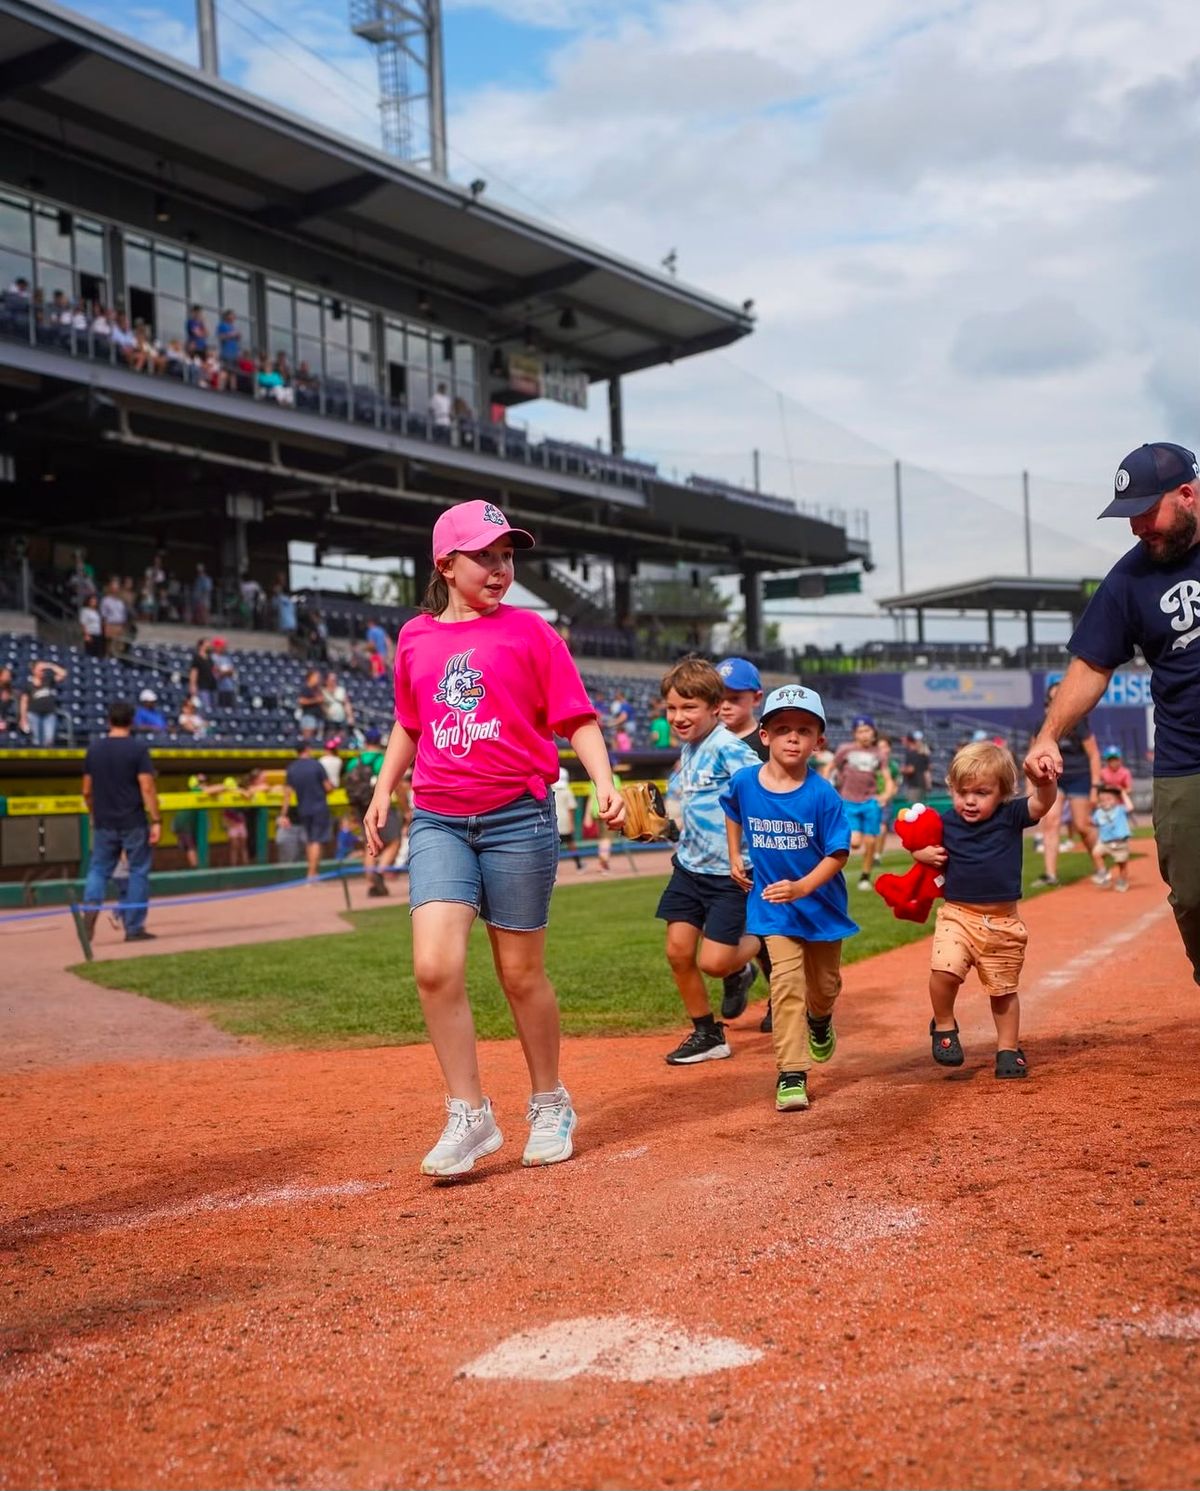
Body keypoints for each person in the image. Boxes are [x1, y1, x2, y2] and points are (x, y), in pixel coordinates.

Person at [362, 498, 624, 1177]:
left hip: (518, 817)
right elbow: (410, 721)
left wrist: (603, 779)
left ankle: (548, 1102)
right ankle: (470, 1113)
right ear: (445, 563)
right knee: (434, 966)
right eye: (486, 554)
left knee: (519, 973)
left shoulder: (533, 634)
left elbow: (578, 718)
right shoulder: (415, 637)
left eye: (508, 555)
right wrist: (383, 785)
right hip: (440, 819)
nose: (501, 567)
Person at [1025, 444, 1200, 979]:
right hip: (1187, 759)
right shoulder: (1129, 580)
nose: (1137, 528)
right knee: (1192, 897)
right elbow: (1091, 665)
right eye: (1130, 516)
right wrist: (1049, 734)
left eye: (1147, 512)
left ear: (1188, 494)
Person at [722, 685, 858, 1112]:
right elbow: (732, 810)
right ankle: (791, 1072)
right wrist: (734, 856)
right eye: (782, 729)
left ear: (819, 741)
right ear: (764, 736)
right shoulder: (746, 781)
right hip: (773, 905)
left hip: (820, 906)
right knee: (785, 984)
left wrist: (802, 887)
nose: (792, 738)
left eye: (804, 730)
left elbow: (838, 853)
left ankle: (820, 1021)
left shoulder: (822, 795)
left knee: (824, 987)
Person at [910, 741, 1056, 1078]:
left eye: (981, 792)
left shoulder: (1011, 815)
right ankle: (944, 1024)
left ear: (1003, 792)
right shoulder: (945, 823)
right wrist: (921, 855)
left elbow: (1042, 803)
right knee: (943, 973)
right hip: (958, 916)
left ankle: (1008, 1048)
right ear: (952, 789)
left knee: (1003, 991)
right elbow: (917, 843)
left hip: (1004, 922)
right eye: (963, 792)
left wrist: (1046, 782)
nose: (970, 801)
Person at [655, 656, 766, 1066]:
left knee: (715, 963)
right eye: (672, 708)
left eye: (689, 707)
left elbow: (761, 791)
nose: (679, 716)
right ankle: (707, 1033)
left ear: (715, 708)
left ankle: (767, 934)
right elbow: (691, 814)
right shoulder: (688, 751)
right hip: (689, 868)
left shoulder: (727, 748)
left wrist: (750, 850)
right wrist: (662, 828)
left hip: (728, 874)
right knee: (678, 953)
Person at [80, 699, 161, 943]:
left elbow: (86, 790)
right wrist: (156, 819)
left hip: (104, 819)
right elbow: (147, 786)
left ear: (109, 720)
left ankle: (91, 907)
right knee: (137, 871)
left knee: (98, 869)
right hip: (133, 819)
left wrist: (93, 811)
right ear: (133, 721)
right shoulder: (137, 749)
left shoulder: (94, 749)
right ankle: (134, 927)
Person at [1031, 681, 1107, 888]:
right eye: (1052, 698)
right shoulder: (1041, 724)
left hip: (1079, 776)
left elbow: (1094, 755)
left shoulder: (1078, 722)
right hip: (1054, 778)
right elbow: (1033, 754)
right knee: (1051, 822)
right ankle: (1050, 875)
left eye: (1060, 697)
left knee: (1082, 825)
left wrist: (1095, 787)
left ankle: (1101, 867)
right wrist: (1031, 787)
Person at [833, 715, 894, 891]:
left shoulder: (879, 754)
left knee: (869, 842)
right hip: (849, 800)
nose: (864, 734)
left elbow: (887, 777)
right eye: (860, 731)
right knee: (855, 843)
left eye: (867, 730)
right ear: (854, 733)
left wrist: (886, 794)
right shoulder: (845, 750)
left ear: (873, 732)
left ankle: (865, 876)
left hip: (870, 801)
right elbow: (832, 768)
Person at [279, 741, 333, 881]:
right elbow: (328, 787)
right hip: (319, 807)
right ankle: (312, 874)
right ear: (308, 749)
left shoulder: (292, 768)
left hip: (303, 809)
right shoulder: (316, 765)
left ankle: (313, 873)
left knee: (310, 840)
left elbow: (287, 794)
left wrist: (283, 814)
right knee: (316, 841)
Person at [716, 656, 768, 762]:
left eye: (734, 699)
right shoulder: (712, 737)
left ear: (756, 698)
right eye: (719, 699)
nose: (725, 706)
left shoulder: (766, 741)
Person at [1092, 784, 1132, 893]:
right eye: (1102, 800)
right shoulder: (1098, 812)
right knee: (1096, 853)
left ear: (1117, 800)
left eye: (1109, 799)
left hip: (1120, 842)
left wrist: (1123, 793)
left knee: (1121, 863)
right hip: (1105, 842)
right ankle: (1102, 873)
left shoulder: (1120, 809)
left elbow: (1130, 807)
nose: (1106, 802)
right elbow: (1093, 822)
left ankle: (1122, 880)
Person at [19, 660, 67, 747]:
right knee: (36, 741)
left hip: (49, 714)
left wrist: (50, 666)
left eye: (43, 670)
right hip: (33, 714)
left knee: (49, 740)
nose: (43, 671)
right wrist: (23, 718)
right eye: (40, 669)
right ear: (33, 671)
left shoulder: (49, 680)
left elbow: (63, 674)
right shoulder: (28, 684)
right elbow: (24, 702)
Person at [900, 730, 932, 802]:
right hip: (922, 785)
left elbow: (911, 770)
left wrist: (900, 770)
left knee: (913, 808)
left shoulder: (911, 753)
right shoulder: (923, 753)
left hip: (914, 786)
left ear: (909, 741)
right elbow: (929, 768)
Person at [1099, 744, 1135, 809]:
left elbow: (1129, 789)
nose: (1113, 762)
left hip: (1121, 804)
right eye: (1111, 759)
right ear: (1107, 760)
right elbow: (1098, 788)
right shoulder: (1102, 772)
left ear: (1120, 759)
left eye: (1115, 759)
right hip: (1106, 804)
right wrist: (1107, 790)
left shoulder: (1125, 772)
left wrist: (1118, 791)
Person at [188, 638, 217, 714]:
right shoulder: (197, 658)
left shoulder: (209, 658)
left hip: (212, 686)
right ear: (201, 646)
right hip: (202, 687)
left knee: (212, 708)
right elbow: (194, 672)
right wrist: (193, 685)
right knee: (204, 707)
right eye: (207, 643)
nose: (209, 645)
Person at [79, 592, 104, 657]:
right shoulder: (85, 611)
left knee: (98, 653)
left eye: (95, 601)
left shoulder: (96, 612)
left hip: (98, 634)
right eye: (92, 601)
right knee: (90, 652)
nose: (94, 602)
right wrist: (86, 635)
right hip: (90, 633)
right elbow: (83, 624)